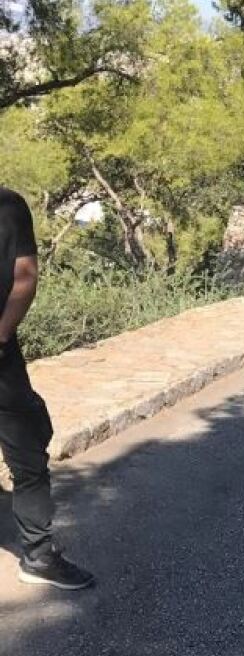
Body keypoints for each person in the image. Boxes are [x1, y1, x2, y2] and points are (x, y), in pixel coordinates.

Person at [0, 188, 94, 591]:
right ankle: (38, 556)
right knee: (27, 459)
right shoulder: (9, 205)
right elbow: (26, 277)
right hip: (1, 358)